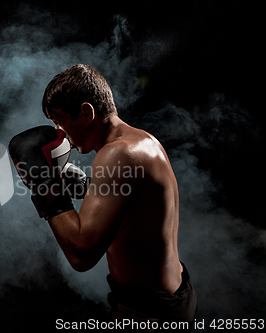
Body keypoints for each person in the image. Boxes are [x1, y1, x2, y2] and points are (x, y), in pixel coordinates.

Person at [13, 64, 197, 331]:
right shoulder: (142, 141)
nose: (60, 134)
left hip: (149, 312)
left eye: (60, 120)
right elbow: (134, 212)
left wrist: (46, 190)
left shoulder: (117, 154)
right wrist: (86, 185)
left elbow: (81, 256)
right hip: (170, 297)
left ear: (87, 112)